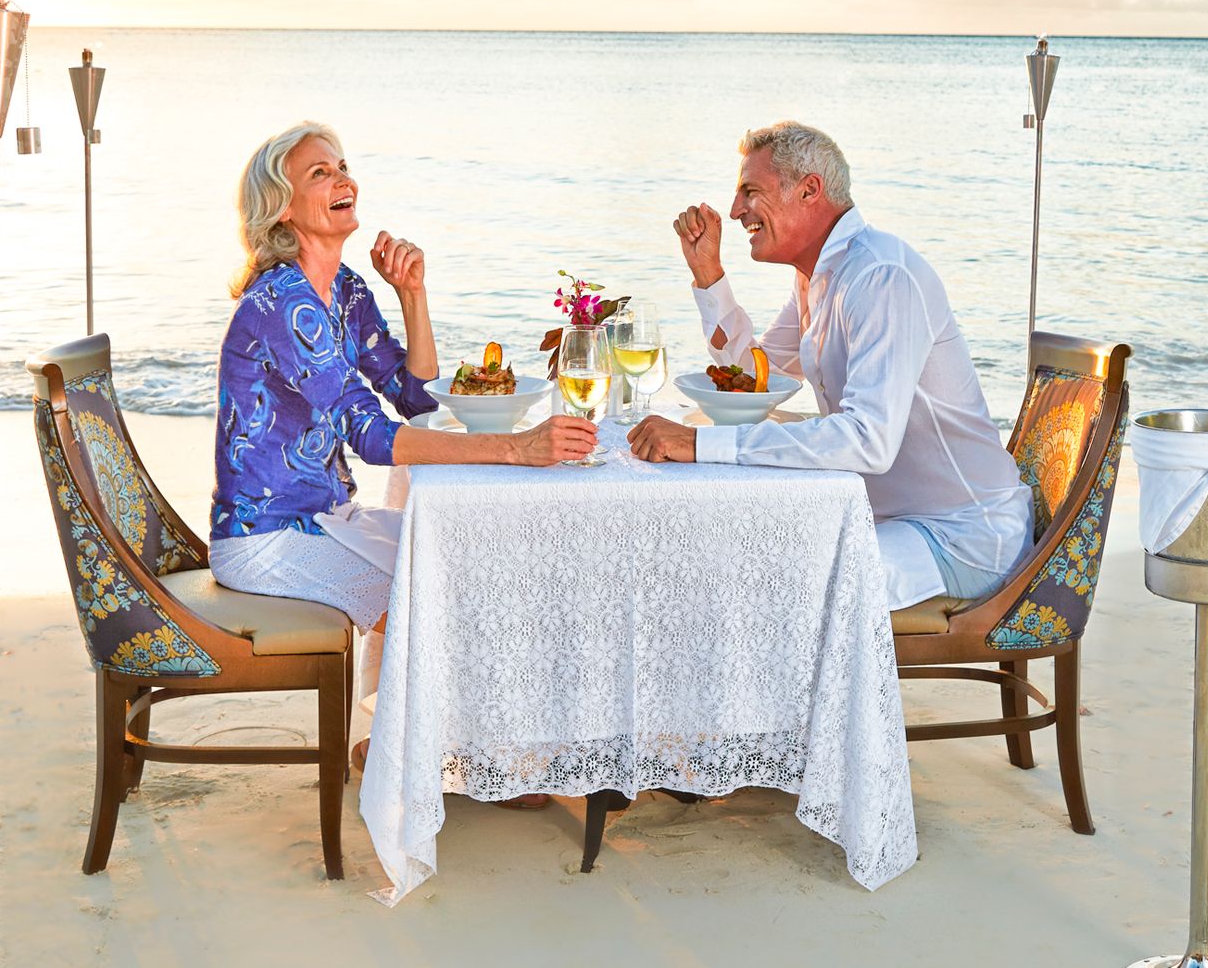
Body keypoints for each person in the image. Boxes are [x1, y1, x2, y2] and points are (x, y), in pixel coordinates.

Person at [211, 123, 596, 798]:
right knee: (437, 584)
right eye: (319, 174)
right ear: (281, 208)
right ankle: (453, 760)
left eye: (342, 167)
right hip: (267, 538)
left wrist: (411, 293)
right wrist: (514, 450)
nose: (342, 180)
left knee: (467, 557)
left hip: (325, 517)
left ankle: (398, 742)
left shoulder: (345, 289)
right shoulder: (281, 301)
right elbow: (370, 436)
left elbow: (413, 397)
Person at [627, 120, 1034, 611]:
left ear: (809, 190)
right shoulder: (818, 277)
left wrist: (698, 443)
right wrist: (708, 275)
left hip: (961, 537)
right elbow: (750, 379)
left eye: (749, 192)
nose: (735, 211)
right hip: (883, 520)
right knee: (729, 557)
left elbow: (868, 440)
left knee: (775, 592)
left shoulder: (881, 276)